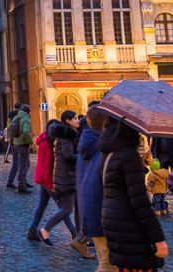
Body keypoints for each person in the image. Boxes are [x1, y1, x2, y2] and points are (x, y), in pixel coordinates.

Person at [100, 117, 168, 271]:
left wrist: (140, 165)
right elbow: (140, 202)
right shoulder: (128, 155)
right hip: (131, 227)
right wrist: (158, 239)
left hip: (113, 222)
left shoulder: (109, 153)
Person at [41, 111, 91, 257]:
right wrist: (82, 156)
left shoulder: (69, 134)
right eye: (75, 118)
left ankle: (79, 240)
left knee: (78, 209)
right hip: (66, 177)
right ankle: (45, 230)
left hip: (69, 176)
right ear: (68, 121)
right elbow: (68, 156)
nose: (78, 120)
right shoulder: (66, 136)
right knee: (68, 209)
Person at [77, 105, 114, 272]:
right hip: (106, 213)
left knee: (105, 262)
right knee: (108, 264)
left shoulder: (85, 144)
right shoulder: (104, 148)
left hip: (90, 212)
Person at [26, 113, 55, 244]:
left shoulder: (42, 139)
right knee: (64, 209)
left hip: (41, 176)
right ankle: (76, 236)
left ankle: (32, 229)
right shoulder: (49, 143)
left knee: (42, 205)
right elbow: (49, 163)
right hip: (47, 178)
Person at [6, 104, 33, 192]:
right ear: (28, 111)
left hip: (16, 143)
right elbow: (26, 132)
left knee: (25, 163)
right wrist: (29, 141)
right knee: (23, 164)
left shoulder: (16, 117)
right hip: (23, 144)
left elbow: (9, 129)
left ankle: (23, 182)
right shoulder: (26, 119)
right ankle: (21, 185)